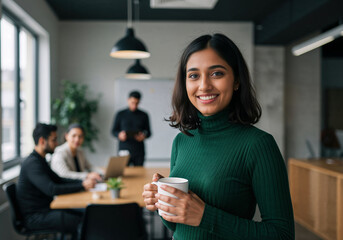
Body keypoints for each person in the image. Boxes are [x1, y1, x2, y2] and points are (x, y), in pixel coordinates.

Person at [142, 33, 294, 239]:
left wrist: (206, 216)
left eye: (216, 74)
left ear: (237, 80)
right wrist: (164, 204)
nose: (204, 85)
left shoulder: (258, 145)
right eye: (194, 75)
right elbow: (178, 227)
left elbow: (282, 234)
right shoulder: (182, 141)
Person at [16, 123, 96, 239]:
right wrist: (82, 186)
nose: (57, 143)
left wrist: (82, 184)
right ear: (42, 141)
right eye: (54, 140)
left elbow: (59, 180)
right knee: (82, 220)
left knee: (86, 214)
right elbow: (52, 189)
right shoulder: (32, 164)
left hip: (46, 210)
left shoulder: (40, 160)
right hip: (36, 217)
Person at [111, 90, 151, 166]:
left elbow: (149, 132)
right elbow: (113, 131)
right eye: (133, 103)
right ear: (128, 100)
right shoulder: (120, 114)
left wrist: (143, 136)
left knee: (139, 174)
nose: (134, 106)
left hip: (139, 151)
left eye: (137, 103)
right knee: (123, 173)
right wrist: (119, 135)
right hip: (124, 149)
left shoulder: (144, 115)